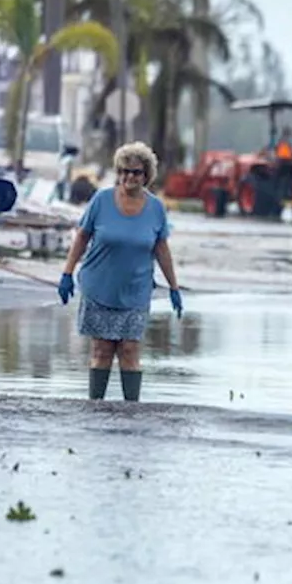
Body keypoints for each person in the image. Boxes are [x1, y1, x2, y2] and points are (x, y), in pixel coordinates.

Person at [57, 141, 183, 402]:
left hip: (135, 291)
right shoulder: (102, 200)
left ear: (146, 175)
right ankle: (97, 409)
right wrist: (67, 273)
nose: (129, 177)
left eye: (135, 172)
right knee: (102, 350)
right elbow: (82, 237)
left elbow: (161, 249)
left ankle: (131, 411)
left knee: (129, 350)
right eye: (124, 171)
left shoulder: (156, 208)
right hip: (99, 286)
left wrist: (173, 287)